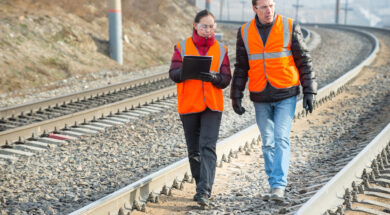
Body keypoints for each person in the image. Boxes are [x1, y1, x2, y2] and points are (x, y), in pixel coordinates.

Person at [231, 0, 317, 201]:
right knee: (268, 142)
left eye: (271, 5)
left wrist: (309, 91)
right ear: (254, 9)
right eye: (263, 7)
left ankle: (278, 186)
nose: (268, 10)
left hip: (285, 93)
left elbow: (303, 59)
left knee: (281, 138)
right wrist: (236, 95)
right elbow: (242, 66)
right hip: (260, 95)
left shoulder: (289, 25)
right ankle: (274, 184)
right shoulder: (244, 32)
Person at [169, 9, 231, 207]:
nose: (208, 30)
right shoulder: (182, 47)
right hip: (189, 104)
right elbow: (173, 73)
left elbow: (226, 78)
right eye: (204, 26)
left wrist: (215, 78)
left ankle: (204, 191)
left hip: (212, 105)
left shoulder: (221, 49)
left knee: (207, 147)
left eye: (211, 26)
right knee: (194, 150)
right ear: (195, 26)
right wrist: (187, 71)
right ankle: (200, 186)